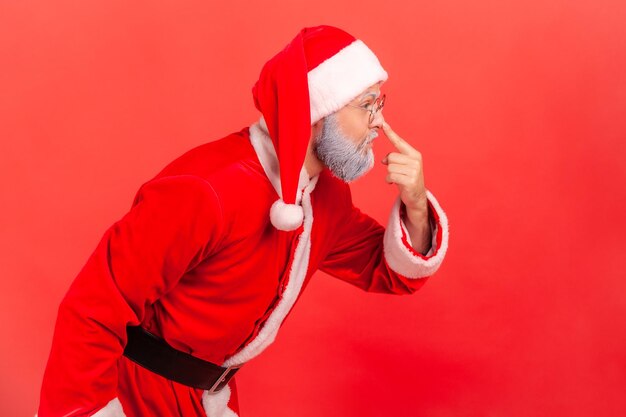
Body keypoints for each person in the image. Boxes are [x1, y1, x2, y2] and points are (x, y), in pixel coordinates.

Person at [36, 25, 449, 417]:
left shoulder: (326, 198)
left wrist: (415, 203)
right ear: (317, 112)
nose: (379, 122)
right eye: (366, 105)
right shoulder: (208, 189)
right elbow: (92, 307)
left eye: (380, 103)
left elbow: (387, 270)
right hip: (135, 396)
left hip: (209, 399)